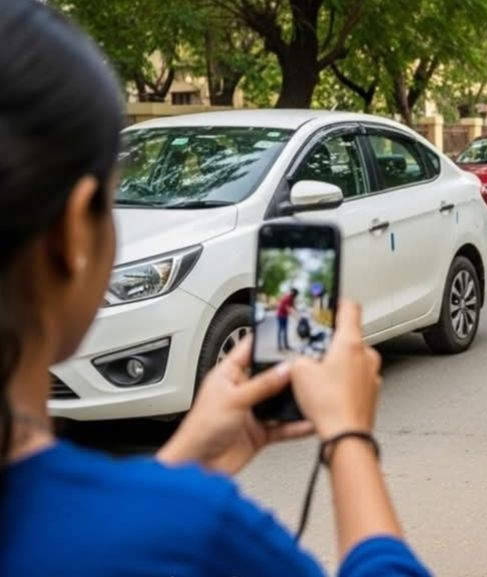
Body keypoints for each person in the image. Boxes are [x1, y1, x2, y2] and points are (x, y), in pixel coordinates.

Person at [0, 3, 430, 576]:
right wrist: (348, 436)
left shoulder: (153, 520)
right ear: (73, 231)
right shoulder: (195, 530)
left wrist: (184, 460)